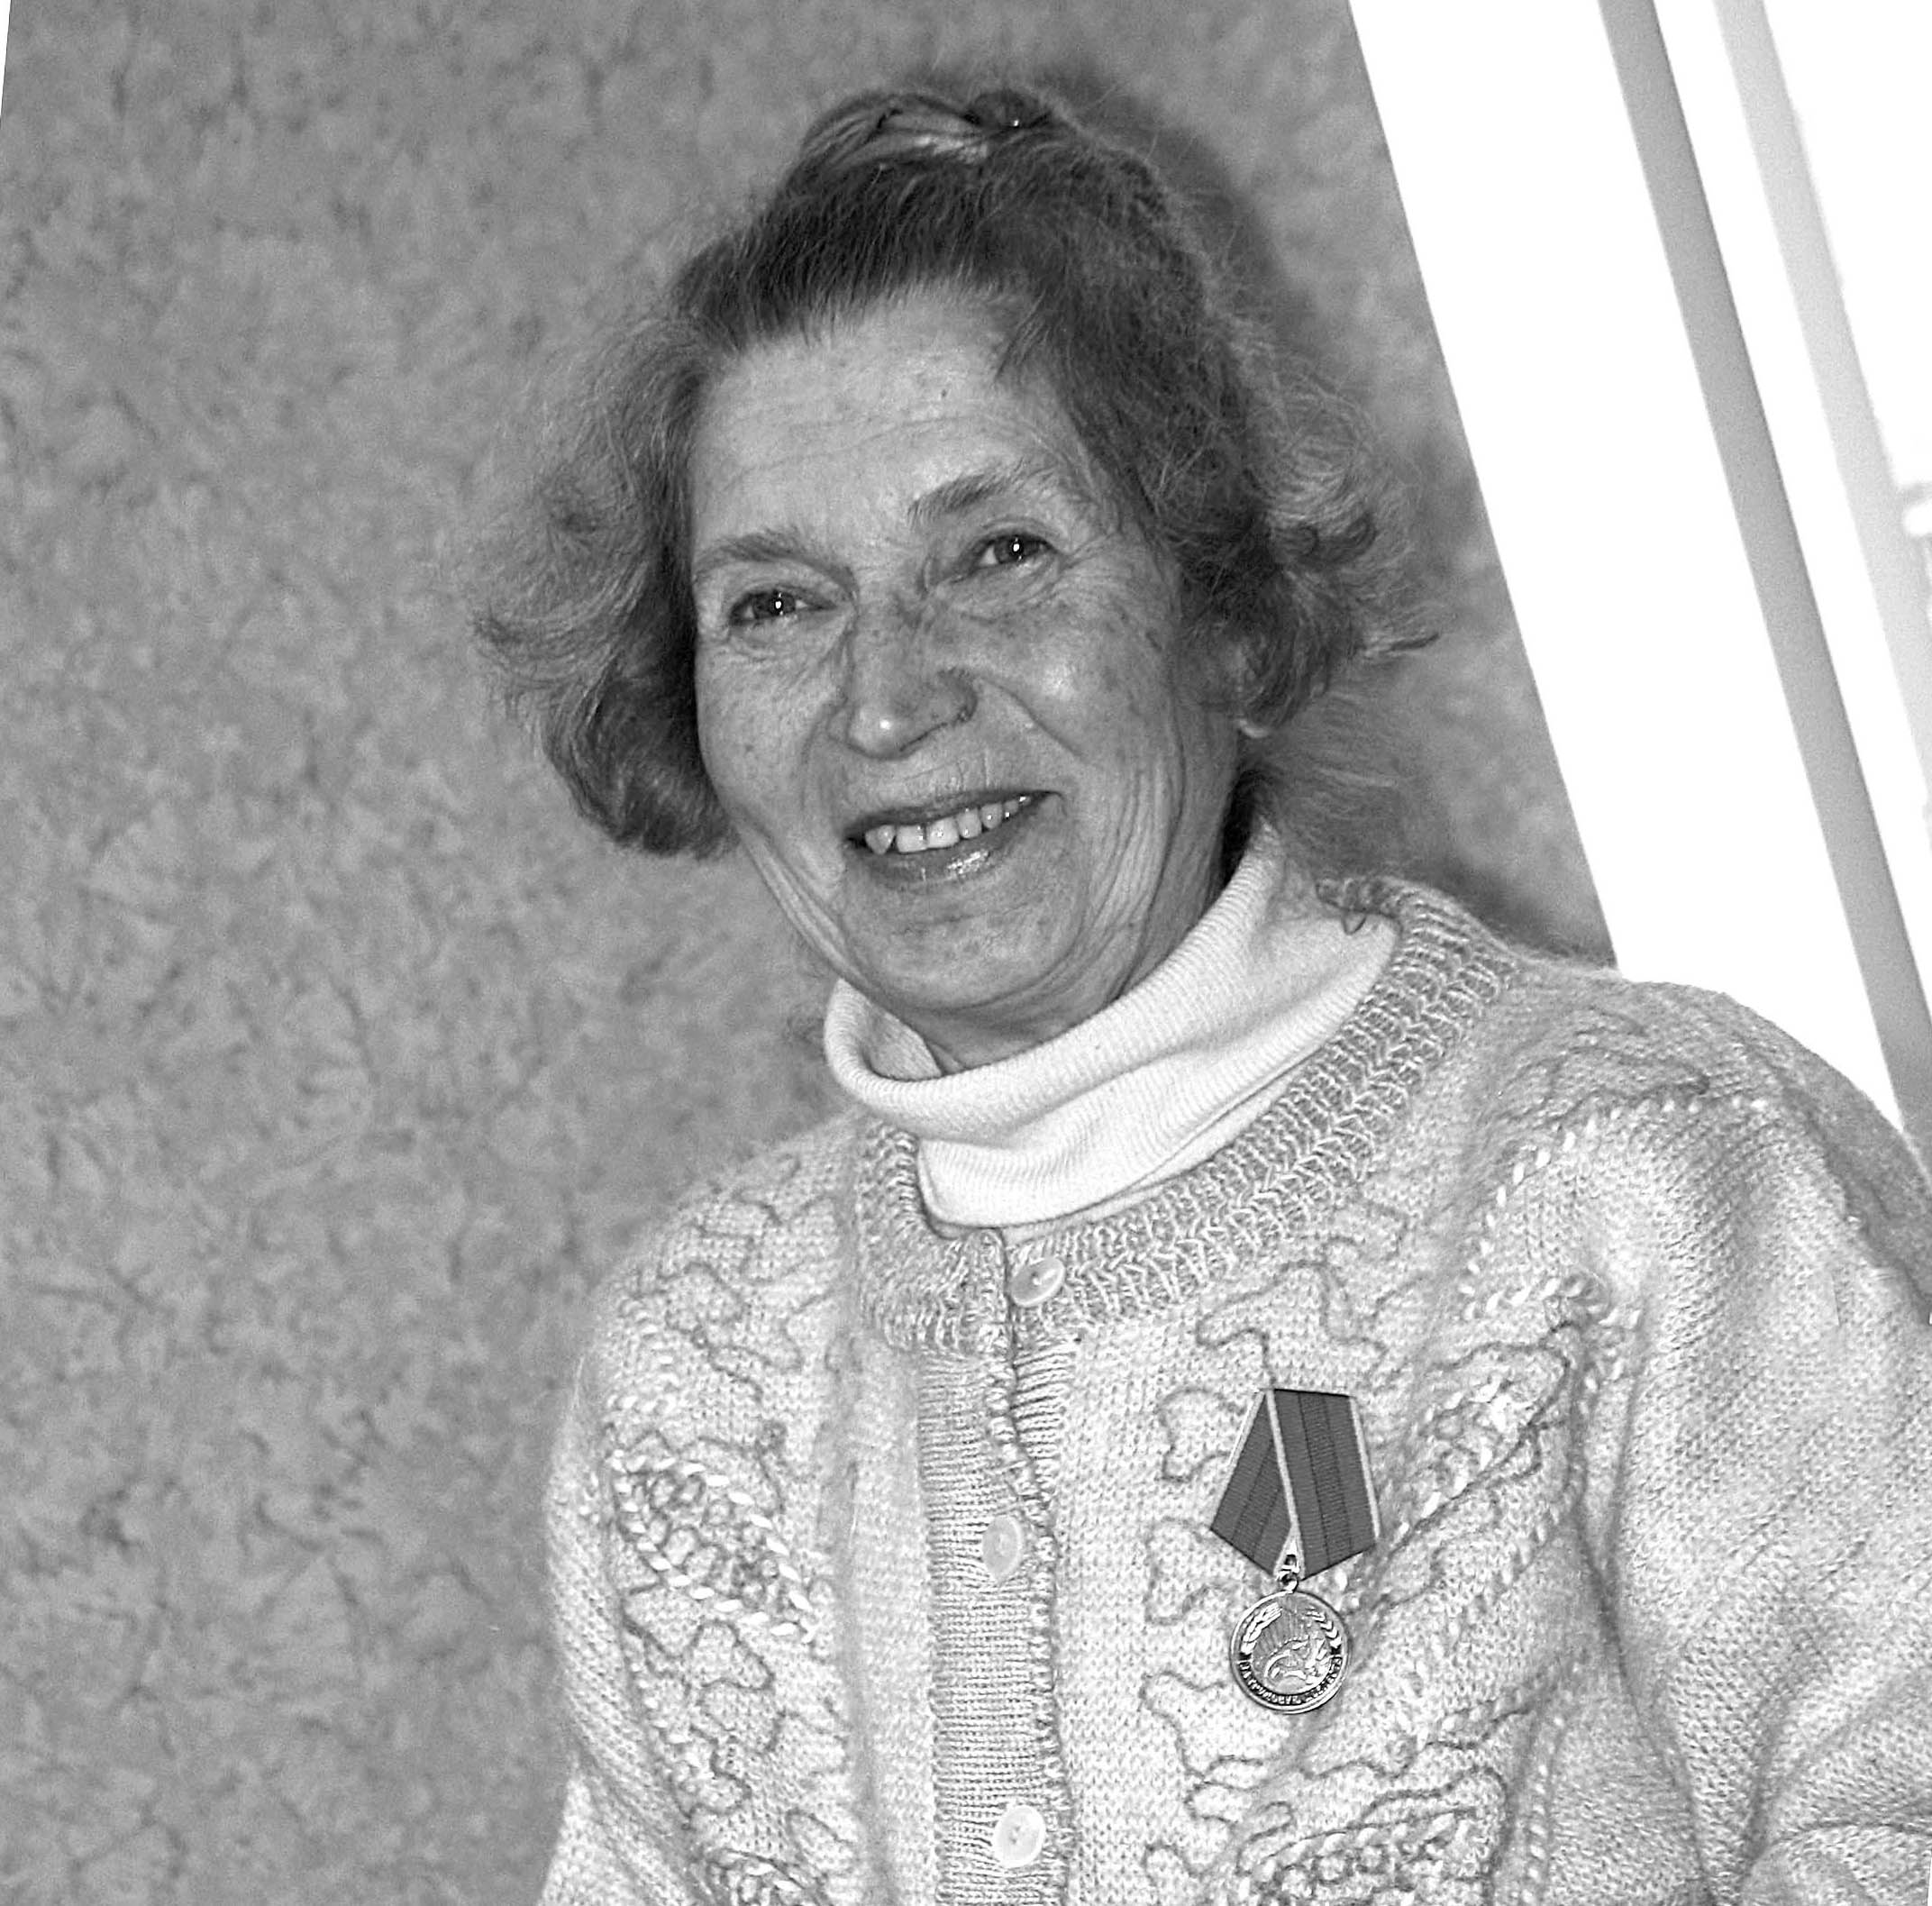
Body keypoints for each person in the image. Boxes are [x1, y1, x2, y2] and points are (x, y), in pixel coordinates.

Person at [470, 81, 1932, 1906]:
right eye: (775, 604)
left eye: (1000, 553)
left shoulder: (1648, 1170)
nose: (888, 701)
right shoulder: (695, 1362)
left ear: (1225, 612)